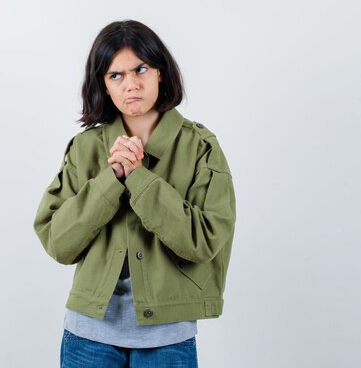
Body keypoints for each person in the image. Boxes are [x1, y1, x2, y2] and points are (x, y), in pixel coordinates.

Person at [33, 20, 237, 368]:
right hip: (88, 337)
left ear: (160, 72)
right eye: (116, 75)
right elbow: (58, 242)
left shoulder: (201, 147)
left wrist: (139, 178)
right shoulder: (84, 149)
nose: (131, 84)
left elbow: (203, 241)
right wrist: (110, 179)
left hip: (168, 337)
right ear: (104, 85)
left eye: (140, 69)